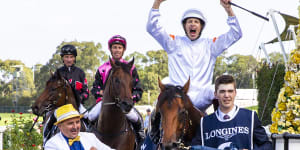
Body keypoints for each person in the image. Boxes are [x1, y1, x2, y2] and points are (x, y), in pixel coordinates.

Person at [147, 0, 242, 113]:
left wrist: (229, 10)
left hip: (201, 99)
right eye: (189, 21)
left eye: (196, 22)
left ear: (201, 26)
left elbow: (236, 33)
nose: (193, 24)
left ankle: (223, 122)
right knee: (165, 86)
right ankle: (154, 127)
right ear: (185, 26)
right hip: (179, 97)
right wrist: (157, 3)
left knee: (215, 88)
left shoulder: (211, 45)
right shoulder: (173, 43)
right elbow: (152, 28)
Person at [88, 35, 145, 145]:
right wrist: (100, 93)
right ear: (110, 49)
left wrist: (130, 98)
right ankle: (87, 139)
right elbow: (95, 88)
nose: (117, 50)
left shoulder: (130, 68)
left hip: (124, 103)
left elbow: (138, 89)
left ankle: (141, 139)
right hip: (105, 103)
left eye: (119, 47)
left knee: (136, 118)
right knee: (90, 117)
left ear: (123, 50)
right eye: (114, 47)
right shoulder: (102, 68)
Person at [191, 75, 272, 150]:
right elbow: (194, 148)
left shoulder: (250, 117)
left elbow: (267, 145)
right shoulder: (204, 122)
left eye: (230, 91)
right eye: (222, 91)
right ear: (216, 94)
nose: (226, 95)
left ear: (235, 93)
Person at [43, 44, 90, 144]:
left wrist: (79, 99)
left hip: (76, 105)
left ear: (74, 58)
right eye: (66, 57)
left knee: (89, 117)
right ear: (62, 58)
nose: (69, 59)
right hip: (60, 106)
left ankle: (90, 140)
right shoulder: (58, 72)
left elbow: (86, 92)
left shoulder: (80, 73)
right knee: (49, 118)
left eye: (71, 57)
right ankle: (45, 140)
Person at [45, 104, 114, 150]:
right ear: (60, 126)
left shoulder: (90, 137)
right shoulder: (52, 144)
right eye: (70, 123)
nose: (75, 127)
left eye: (77, 122)